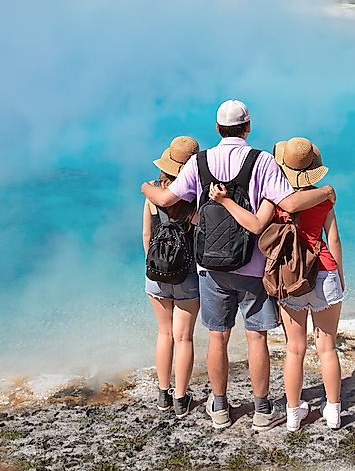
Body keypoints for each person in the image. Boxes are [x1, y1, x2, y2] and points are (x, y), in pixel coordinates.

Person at [140, 100, 334, 432]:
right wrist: (326, 193)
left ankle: (218, 408)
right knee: (256, 338)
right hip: (254, 267)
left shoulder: (199, 162)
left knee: (218, 337)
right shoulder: (263, 161)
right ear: (248, 127)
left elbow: (167, 200)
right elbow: (288, 203)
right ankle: (261, 410)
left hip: (209, 268)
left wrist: (146, 187)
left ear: (217, 129)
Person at [210, 136, 344, 432]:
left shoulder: (275, 201)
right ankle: (333, 411)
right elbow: (332, 239)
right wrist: (340, 276)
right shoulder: (324, 199)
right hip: (324, 272)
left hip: (290, 278)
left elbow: (257, 227)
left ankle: (294, 414)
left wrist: (224, 201)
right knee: (327, 347)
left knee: (295, 349)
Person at [142, 135, 201, 417]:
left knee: (164, 334)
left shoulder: (153, 192)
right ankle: (181, 399)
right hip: (188, 275)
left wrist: (155, 265)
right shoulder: (196, 195)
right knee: (184, 338)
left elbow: (146, 235)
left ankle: (162, 395)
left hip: (156, 274)